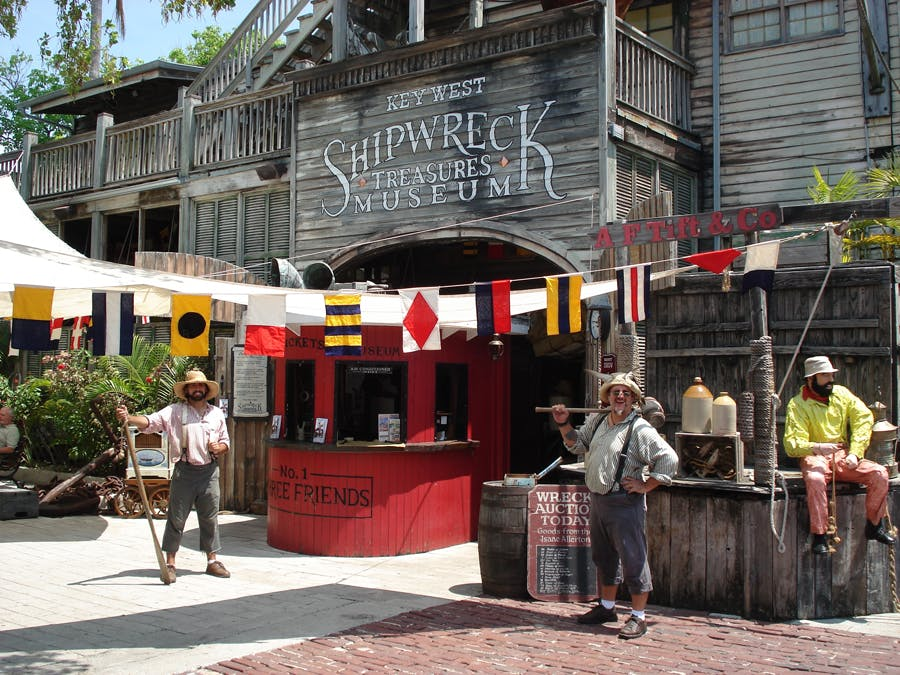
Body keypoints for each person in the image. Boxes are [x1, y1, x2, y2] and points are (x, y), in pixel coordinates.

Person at [551, 372, 679, 640]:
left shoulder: (640, 429)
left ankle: (638, 616)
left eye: (626, 393)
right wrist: (563, 423)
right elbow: (577, 445)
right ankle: (607, 607)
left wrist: (646, 485)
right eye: (615, 392)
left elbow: (668, 458)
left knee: (634, 559)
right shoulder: (598, 421)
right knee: (604, 558)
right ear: (607, 397)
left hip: (624, 503)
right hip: (599, 500)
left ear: (633, 399)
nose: (620, 396)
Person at [116, 370, 231, 583]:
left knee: (210, 518)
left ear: (206, 389)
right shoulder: (174, 411)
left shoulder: (216, 413)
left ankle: (212, 561)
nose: (197, 389)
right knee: (176, 518)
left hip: (209, 472)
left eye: (201, 386)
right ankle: (170, 564)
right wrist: (129, 418)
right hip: (184, 471)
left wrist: (219, 447)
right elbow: (150, 422)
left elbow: (226, 442)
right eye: (193, 386)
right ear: (186, 390)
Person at [783, 356, 895, 555]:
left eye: (831, 375)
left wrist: (855, 453)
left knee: (880, 474)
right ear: (811, 379)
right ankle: (820, 535)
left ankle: (874, 526)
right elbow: (792, 444)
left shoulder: (842, 394)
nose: (830, 380)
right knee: (815, 478)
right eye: (824, 376)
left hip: (842, 455)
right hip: (814, 456)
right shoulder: (797, 404)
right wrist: (818, 447)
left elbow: (863, 418)